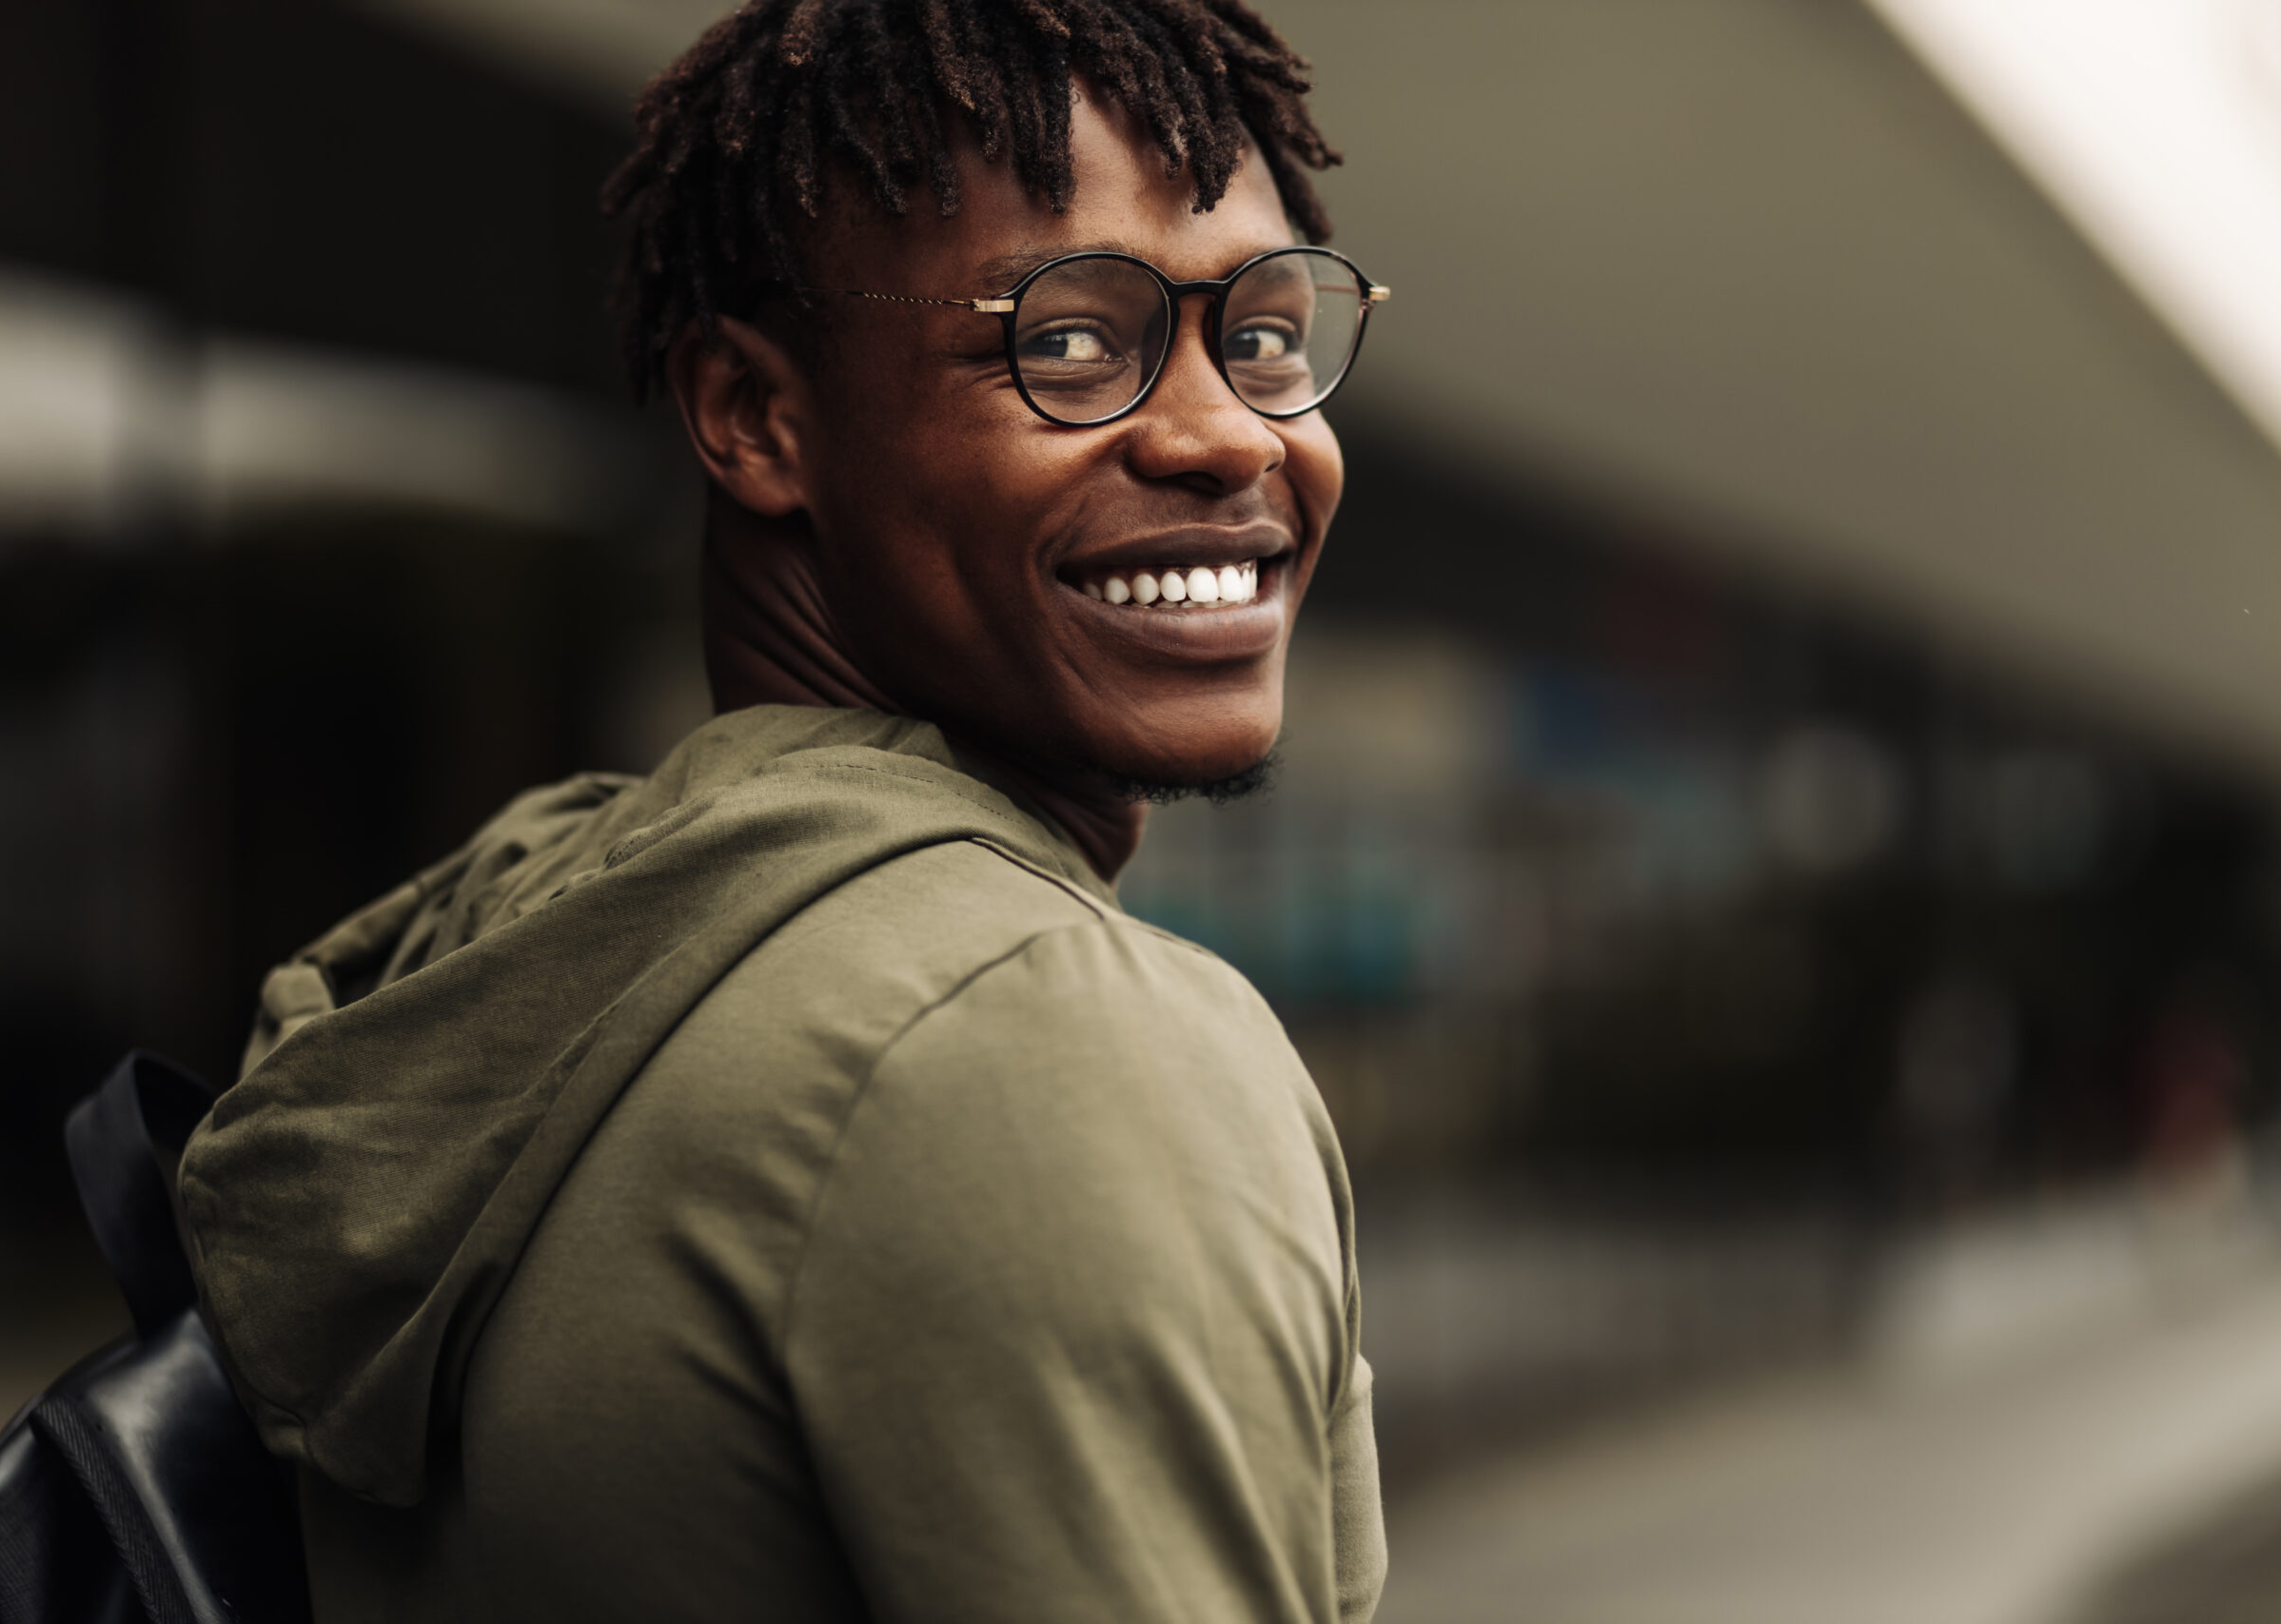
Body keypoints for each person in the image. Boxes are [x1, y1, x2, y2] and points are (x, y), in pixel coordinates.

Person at [177, 1, 1389, 1618]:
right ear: (755, 418)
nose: (1227, 433)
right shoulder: (1025, 1035)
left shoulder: (564, 931)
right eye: (1072, 340)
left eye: (1261, 332)